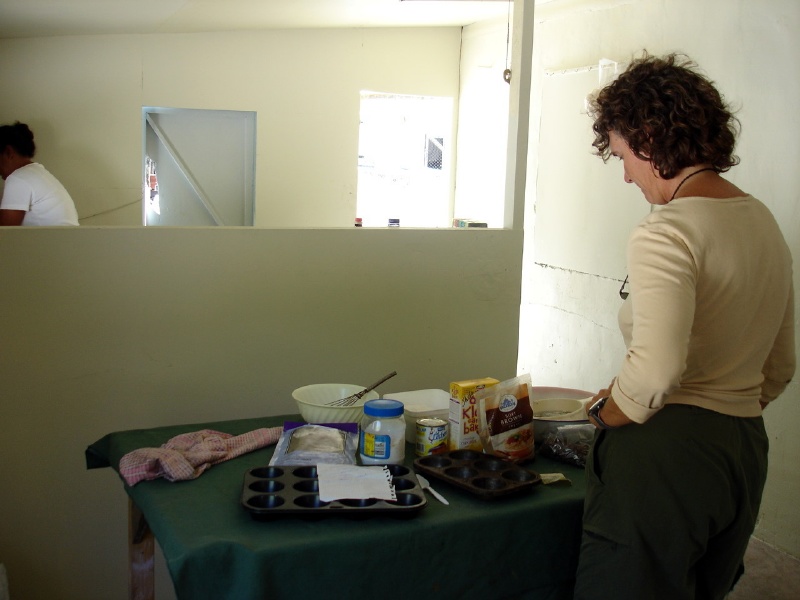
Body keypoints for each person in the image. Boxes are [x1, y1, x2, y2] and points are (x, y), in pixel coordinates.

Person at [574, 52, 795, 600]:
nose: (625, 172)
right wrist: (727, 404)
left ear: (648, 140)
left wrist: (610, 409)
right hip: (743, 446)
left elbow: (656, 372)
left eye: (623, 154)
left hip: (666, 454)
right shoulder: (761, 219)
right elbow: (781, 363)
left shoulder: (665, 231)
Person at [0, 121, 79, 226]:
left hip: (53, 241)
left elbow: (5, 232)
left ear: (8, 152)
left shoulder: (18, 178)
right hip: (66, 240)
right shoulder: (36, 173)